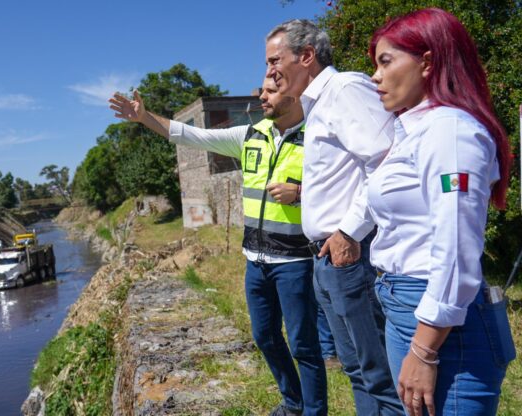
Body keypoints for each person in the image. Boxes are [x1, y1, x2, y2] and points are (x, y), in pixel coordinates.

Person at [109, 76, 327, 416]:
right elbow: (193, 135)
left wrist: (301, 193)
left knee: (304, 346)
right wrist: (145, 118)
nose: (261, 97)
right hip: (255, 261)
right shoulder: (250, 135)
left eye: (270, 91)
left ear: (295, 94)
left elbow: (346, 188)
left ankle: (314, 412)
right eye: (262, 90)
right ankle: (293, 403)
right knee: (265, 337)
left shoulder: (317, 138)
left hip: (294, 261)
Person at [367, 8, 513, 415]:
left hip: (442, 326)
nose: (374, 76)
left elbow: (455, 252)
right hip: (409, 305)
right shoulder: (417, 130)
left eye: (385, 61)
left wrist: (425, 350)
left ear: (427, 62)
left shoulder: (449, 133)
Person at [265, 19, 404, 415]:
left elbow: (387, 159)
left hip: (349, 253)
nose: (270, 71)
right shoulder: (318, 104)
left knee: (379, 373)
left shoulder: (343, 89)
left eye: (276, 60)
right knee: (358, 370)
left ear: (307, 56)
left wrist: (349, 230)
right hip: (328, 256)